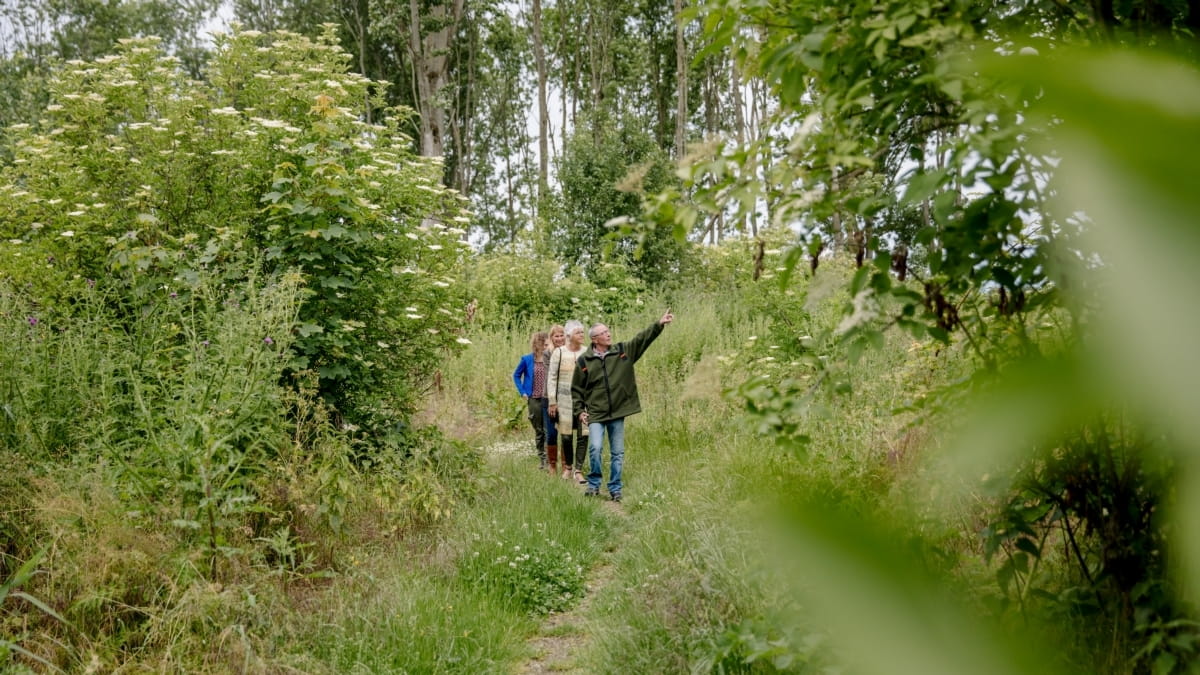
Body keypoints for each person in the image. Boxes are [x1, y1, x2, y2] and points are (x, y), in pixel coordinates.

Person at [573, 309, 674, 502]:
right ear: (595, 339)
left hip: (618, 411)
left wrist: (659, 324)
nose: (608, 334)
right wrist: (579, 411)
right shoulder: (584, 361)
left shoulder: (622, 352)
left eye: (608, 330)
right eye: (603, 333)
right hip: (596, 412)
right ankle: (594, 485)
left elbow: (641, 339)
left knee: (617, 453)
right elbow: (576, 389)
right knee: (594, 448)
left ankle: (615, 488)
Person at [547, 320, 589, 483]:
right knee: (565, 436)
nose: (582, 335)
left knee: (583, 434)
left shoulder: (587, 352)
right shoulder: (559, 352)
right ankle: (568, 467)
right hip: (563, 400)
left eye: (583, 332)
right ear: (569, 335)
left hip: (584, 401)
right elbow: (552, 377)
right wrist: (552, 400)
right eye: (579, 333)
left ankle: (578, 470)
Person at [512, 331, 549, 470]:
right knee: (539, 430)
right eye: (544, 344)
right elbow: (516, 375)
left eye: (547, 344)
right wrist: (522, 392)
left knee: (549, 429)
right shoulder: (527, 359)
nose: (546, 346)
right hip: (534, 398)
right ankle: (542, 458)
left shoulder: (550, 358)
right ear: (537, 344)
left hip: (548, 398)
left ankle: (550, 459)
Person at [543, 324, 566, 475]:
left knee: (565, 432)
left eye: (561, 335)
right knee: (551, 433)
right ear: (551, 338)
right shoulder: (547, 353)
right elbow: (550, 375)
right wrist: (553, 400)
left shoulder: (570, 352)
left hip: (566, 397)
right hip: (549, 397)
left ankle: (566, 464)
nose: (559, 338)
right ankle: (552, 464)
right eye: (556, 336)